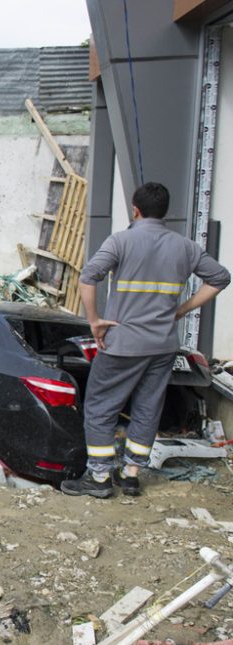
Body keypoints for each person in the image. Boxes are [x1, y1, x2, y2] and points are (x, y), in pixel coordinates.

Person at [61, 182, 230, 499]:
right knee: (147, 409)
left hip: (123, 345)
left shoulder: (121, 241)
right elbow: (220, 277)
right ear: (165, 213)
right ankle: (131, 475)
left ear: (135, 210)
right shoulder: (186, 247)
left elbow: (88, 277)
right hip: (162, 346)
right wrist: (181, 310)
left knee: (100, 407)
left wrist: (95, 320)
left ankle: (98, 478)